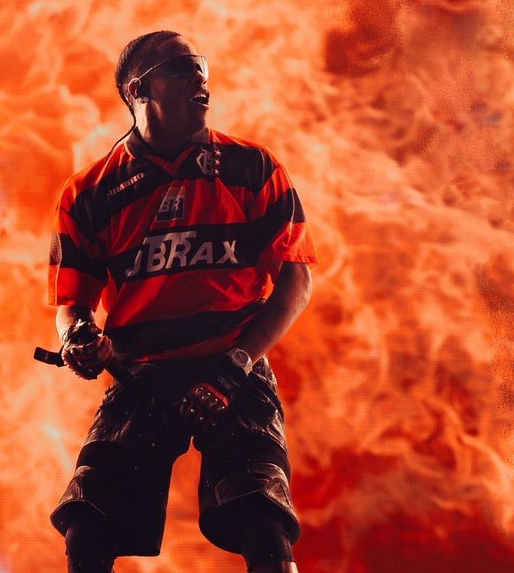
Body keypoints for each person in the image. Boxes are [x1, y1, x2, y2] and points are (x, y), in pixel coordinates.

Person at [47, 30, 317, 573]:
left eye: (202, 66)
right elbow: (72, 303)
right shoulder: (89, 192)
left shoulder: (252, 167)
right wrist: (78, 340)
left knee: (261, 516)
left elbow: (295, 281)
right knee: (87, 523)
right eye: (182, 67)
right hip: (138, 376)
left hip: (234, 368)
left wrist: (236, 366)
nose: (200, 78)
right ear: (136, 89)